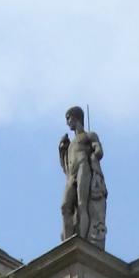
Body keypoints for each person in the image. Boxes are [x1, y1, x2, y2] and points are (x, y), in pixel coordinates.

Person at [59, 106, 107, 247]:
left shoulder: (89, 135)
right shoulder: (70, 144)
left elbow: (99, 151)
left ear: (76, 117)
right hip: (71, 175)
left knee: (82, 204)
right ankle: (68, 242)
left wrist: (95, 153)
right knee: (65, 206)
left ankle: (84, 241)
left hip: (83, 167)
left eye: (68, 118)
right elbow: (65, 167)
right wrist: (62, 150)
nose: (67, 122)